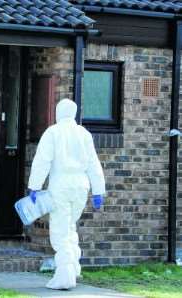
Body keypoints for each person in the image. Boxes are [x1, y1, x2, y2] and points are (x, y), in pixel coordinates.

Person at [28, 98, 105, 290]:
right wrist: (98, 191)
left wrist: (34, 186)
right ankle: (74, 267)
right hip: (81, 185)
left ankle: (65, 277)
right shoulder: (83, 133)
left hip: (60, 185)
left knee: (60, 231)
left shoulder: (53, 132)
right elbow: (94, 164)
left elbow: (42, 161)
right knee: (70, 226)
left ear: (58, 112)